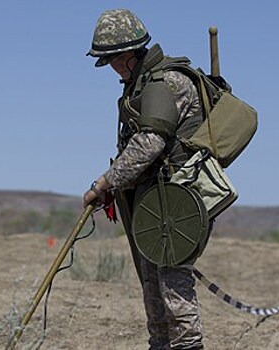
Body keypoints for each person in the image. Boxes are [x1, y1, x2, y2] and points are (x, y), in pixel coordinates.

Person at [83, 9, 207, 350]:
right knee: (153, 286)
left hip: (173, 204)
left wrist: (104, 183)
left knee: (172, 290)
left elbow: (149, 143)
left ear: (125, 56)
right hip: (154, 202)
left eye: (110, 60)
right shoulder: (142, 83)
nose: (110, 67)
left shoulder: (163, 83)